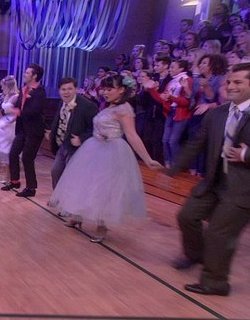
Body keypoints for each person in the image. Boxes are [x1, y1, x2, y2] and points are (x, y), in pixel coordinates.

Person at [168, 62, 250, 296]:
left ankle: (216, 282)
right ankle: (197, 255)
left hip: (243, 188)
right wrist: (174, 168)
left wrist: (246, 155)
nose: (230, 86)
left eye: (238, 82)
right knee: (186, 216)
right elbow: (196, 144)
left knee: (218, 233)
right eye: (229, 82)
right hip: (213, 182)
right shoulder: (216, 113)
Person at [48, 75, 162, 242]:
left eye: (110, 89)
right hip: (94, 148)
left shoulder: (124, 109)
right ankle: (78, 215)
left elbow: (132, 135)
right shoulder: (108, 106)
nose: (105, 92)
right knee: (84, 183)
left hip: (111, 151)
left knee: (104, 189)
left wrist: (148, 159)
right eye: (104, 89)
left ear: (121, 90)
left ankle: (102, 226)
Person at [3, 64, 47, 197]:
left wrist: (18, 111)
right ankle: (15, 181)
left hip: (34, 130)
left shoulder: (40, 92)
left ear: (34, 76)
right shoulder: (24, 89)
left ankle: (31, 188)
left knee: (27, 158)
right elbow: (18, 106)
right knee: (13, 153)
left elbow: (35, 110)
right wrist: (12, 113)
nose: (24, 74)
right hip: (22, 129)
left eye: (27, 73)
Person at [48, 77, 98, 189]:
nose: (66, 92)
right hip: (62, 145)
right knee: (55, 172)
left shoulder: (87, 105)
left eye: (69, 89)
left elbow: (96, 128)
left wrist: (81, 138)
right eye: (63, 89)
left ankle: (69, 198)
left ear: (76, 89)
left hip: (78, 148)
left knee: (71, 176)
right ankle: (58, 196)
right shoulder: (62, 102)